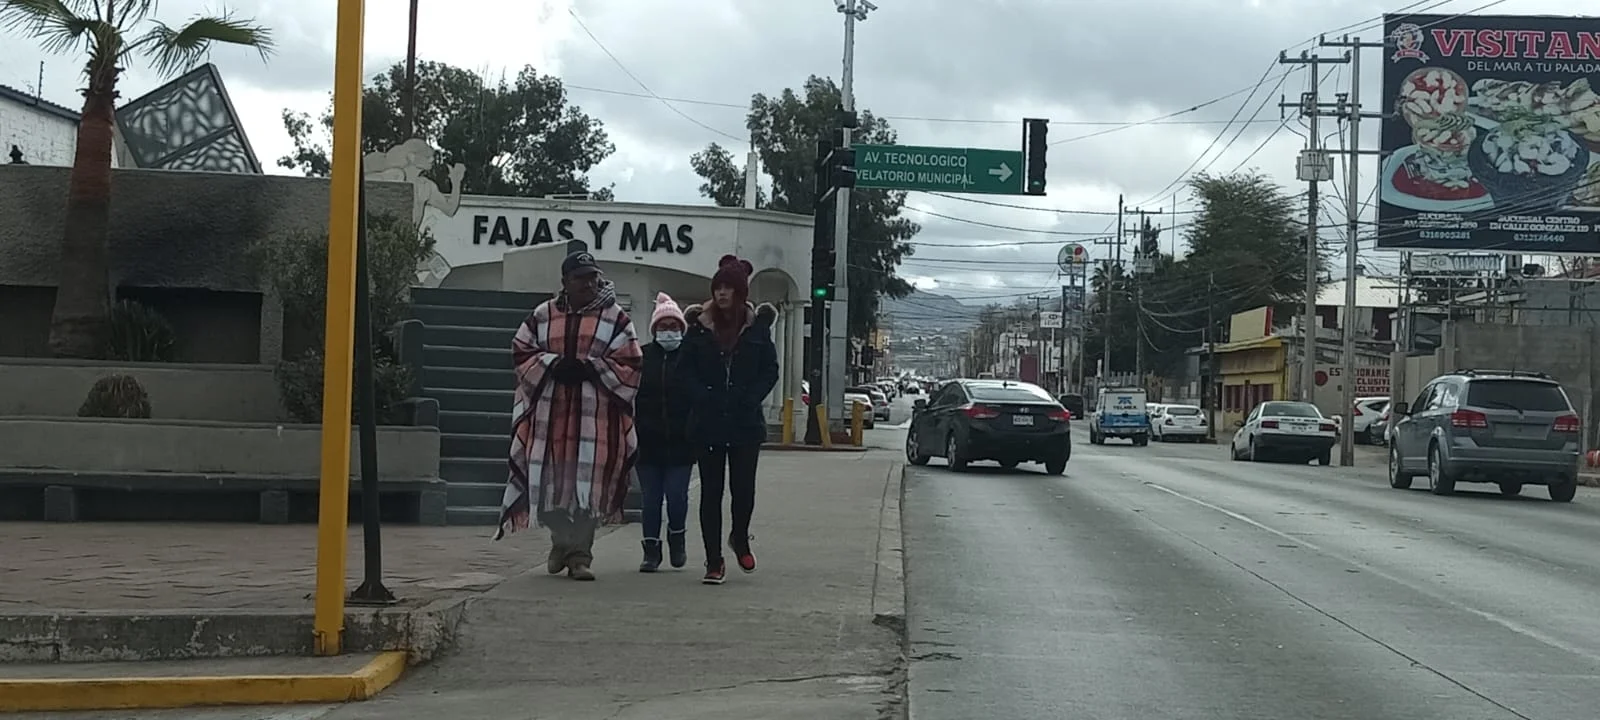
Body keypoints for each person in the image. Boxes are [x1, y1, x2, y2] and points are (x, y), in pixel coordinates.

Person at [495, 250, 643, 582]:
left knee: (591, 488)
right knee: (547, 483)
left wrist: (591, 368)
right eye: (581, 278)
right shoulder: (543, 315)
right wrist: (553, 364)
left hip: (597, 418)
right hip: (551, 415)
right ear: (565, 282)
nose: (589, 283)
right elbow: (520, 349)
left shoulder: (615, 317)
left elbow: (632, 361)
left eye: (593, 276)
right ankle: (562, 541)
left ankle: (580, 557)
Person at [682, 254, 779, 585]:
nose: (722, 294)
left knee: (743, 490)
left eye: (729, 288)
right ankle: (713, 560)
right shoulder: (698, 328)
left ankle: (740, 537)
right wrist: (702, 395)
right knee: (711, 493)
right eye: (718, 287)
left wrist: (751, 398)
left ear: (741, 293)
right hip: (707, 422)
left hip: (745, 423)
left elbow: (770, 370)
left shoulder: (757, 329)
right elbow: (685, 371)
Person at [635, 292, 695, 572]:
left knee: (677, 496)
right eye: (663, 326)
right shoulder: (643, 357)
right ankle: (650, 550)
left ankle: (677, 538)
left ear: (682, 329)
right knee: (650, 500)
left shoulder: (690, 357)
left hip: (681, 443)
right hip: (647, 443)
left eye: (673, 326)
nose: (668, 331)